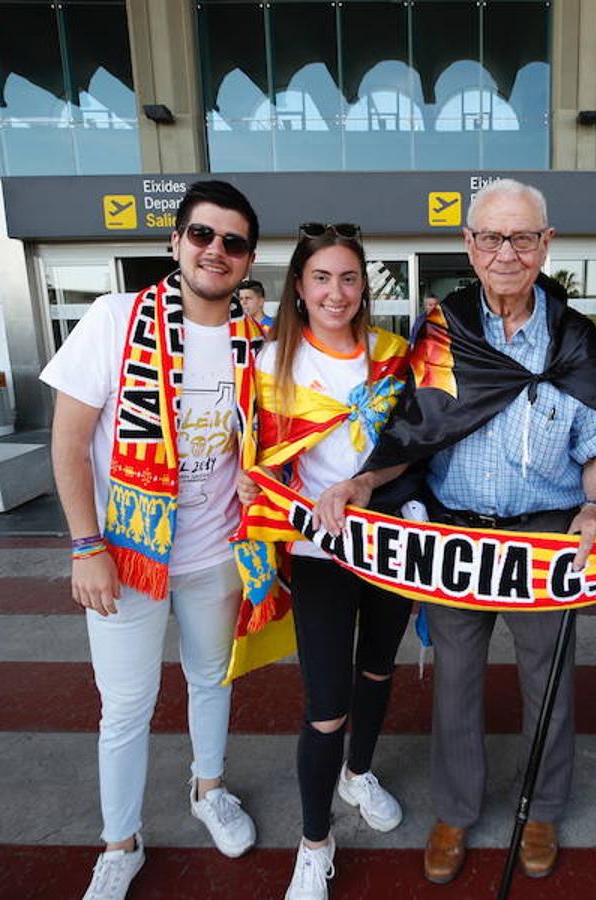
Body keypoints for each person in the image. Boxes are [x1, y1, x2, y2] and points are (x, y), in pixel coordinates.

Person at [313, 178, 596, 885]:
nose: (504, 252)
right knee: (456, 680)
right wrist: (363, 481)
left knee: (552, 680)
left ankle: (540, 808)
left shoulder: (575, 339)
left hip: (544, 535)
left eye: (521, 237)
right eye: (490, 237)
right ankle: (455, 810)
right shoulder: (444, 328)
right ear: (469, 246)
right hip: (456, 538)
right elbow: (417, 429)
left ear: (546, 245)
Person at [42, 181, 261, 900]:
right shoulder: (115, 319)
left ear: (247, 258)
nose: (215, 251)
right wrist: (85, 546)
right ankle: (121, 841)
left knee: (210, 679)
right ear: (176, 242)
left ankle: (208, 788)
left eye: (232, 241)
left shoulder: (252, 341)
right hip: (128, 554)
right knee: (126, 706)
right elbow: (69, 443)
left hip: (215, 551)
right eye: (202, 235)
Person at [240, 222, 412, 900]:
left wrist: (369, 484)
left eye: (347, 277)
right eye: (321, 278)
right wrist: (250, 478)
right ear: (299, 287)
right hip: (318, 551)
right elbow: (251, 458)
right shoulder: (269, 364)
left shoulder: (396, 354)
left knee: (377, 670)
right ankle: (315, 842)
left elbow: (413, 446)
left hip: (395, 546)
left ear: (364, 283)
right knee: (325, 707)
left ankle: (358, 773)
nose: (335, 292)